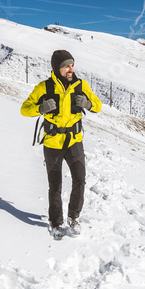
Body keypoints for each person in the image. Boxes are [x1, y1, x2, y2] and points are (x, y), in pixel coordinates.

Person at [21, 50, 102, 233]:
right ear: (57, 68)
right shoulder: (45, 87)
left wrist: (88, 105)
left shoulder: (81, 86)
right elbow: (24, 109)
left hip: (74, 141)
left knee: (79, 180)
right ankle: (56, 222)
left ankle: (73, 217)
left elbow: (98, 105)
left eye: (72, 65)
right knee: (55, 185)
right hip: (53, 144)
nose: (71, 69)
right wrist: (41, 108)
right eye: (66, 65)